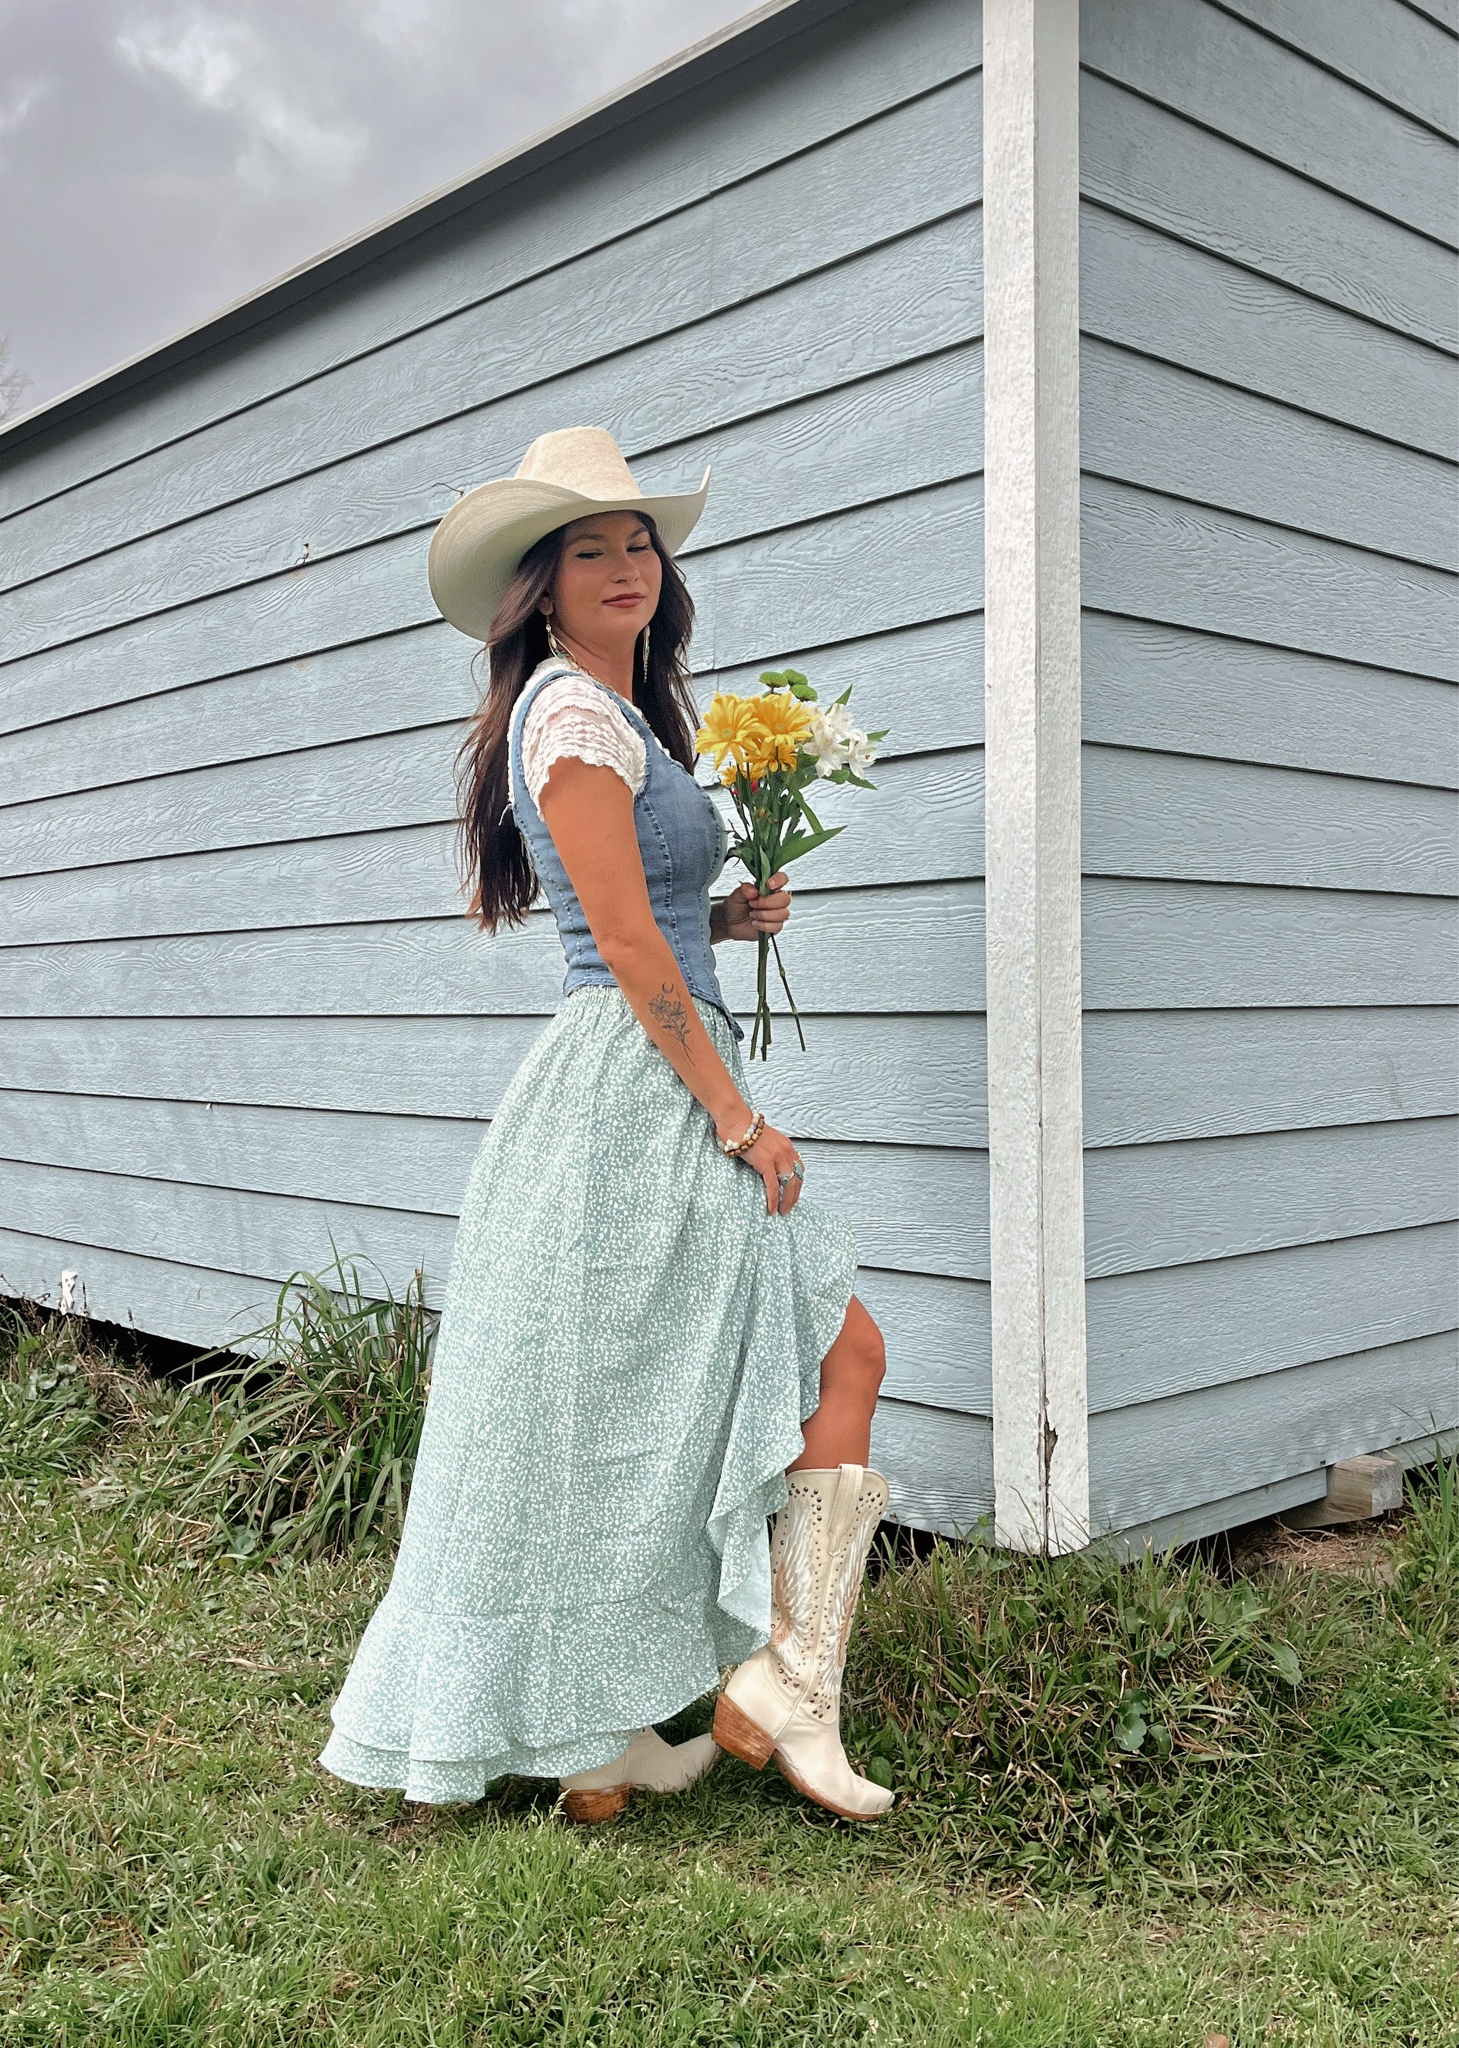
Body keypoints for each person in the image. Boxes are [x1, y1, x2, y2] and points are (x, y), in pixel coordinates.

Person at [318, 427, 892, 1822]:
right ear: (542, 584)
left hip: (647, 1072)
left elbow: (642, 918)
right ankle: (788, 1686)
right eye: (591, 549)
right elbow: (623, 952)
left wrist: (725, 917)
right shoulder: (571, 716)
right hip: (642, 1092)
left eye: (640, 542)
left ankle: (602, 1738)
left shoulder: (617, 716)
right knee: (838, 1350)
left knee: (616, 1402)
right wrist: (740, 1120)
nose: (627, 564)